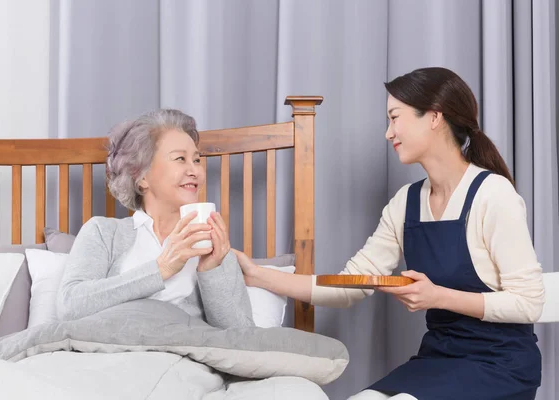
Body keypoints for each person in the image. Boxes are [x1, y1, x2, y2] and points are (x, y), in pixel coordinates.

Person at [232, 67, 545, 400]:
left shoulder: (493, 195)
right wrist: (258, 276)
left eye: (395, 118)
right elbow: (349, 286)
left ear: (435, 117)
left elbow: (529, 303)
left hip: (501, 366)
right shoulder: (405, 203)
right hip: (439, 360)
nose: (388, 132)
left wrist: (439, 297)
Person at [56, 109, 254, 330]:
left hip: (181, 359)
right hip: (112, 357)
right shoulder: (103, 232)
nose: (195, 171)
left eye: (197, 160)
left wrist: (211, 270)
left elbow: (241, 337)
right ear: (141, 177)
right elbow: (70, 307)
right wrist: (161, 269)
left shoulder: (213, 246)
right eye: (180, 159)